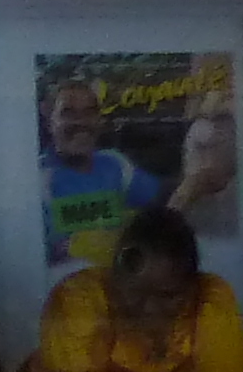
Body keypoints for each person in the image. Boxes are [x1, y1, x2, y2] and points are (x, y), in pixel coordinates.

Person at [34, 206, 243, 372]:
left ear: (192, 287)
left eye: (168, 296)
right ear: (114, 280)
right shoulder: (79, 302)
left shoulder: (210, 304)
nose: (150, 308)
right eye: (137, 293)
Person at [39, 75, 162, 266]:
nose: (81, 122)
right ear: (49, 121)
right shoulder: (37, 180)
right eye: (68, 113)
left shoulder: (115, 163)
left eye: (90, 113)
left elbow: (162, 206)